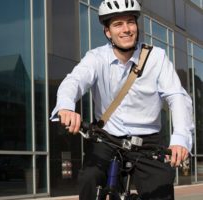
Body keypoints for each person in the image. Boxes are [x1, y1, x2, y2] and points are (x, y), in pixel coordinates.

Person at [50, 0, 194, 199]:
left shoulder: (157, 57)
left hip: (148, 142)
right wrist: (66, 107)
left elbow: (176, 96)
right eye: (118, 24)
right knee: (89, 179)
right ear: (107, 32)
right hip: (107, 138)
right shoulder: (96, 57)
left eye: (130, 22)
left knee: (161, 189)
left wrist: (180, 138)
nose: (126, 29)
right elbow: (74, 81)